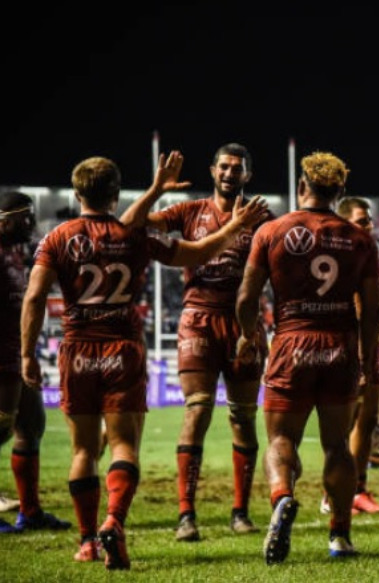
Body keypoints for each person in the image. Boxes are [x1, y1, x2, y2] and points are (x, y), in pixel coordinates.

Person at [20, 154, 267, 569]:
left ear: (77, 193)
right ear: (116, 193)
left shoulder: (57, 238)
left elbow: (34, 298)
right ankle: (114, 521)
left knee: (84, 450)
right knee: (123, 445)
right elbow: (199, 252)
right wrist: (235, 227)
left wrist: (28, 354)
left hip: (78, 348)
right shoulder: (134, 238)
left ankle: (87, 541)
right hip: (122, 349)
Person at [120, 143, 274, 541]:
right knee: (197, 410)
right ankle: (186, 515)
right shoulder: (189, 212)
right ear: (212, 170)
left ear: (247, 175)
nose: (229, 173)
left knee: (243, 418)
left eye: (237, 168)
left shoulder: (261, 218)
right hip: (199, 320)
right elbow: (129, 224)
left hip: (244, 325)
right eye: (224, 166)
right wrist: (157, 189)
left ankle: (240, 513)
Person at [236, 151, 379, 563]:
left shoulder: (271, 231)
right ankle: (340, 536)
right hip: (339, 347)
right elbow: (372, 310)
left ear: (302, 186)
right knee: (338, 445)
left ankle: (282, 496)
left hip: (292, 343)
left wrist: (248, 336)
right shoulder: (360, 240)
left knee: (281, 440)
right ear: (340, 192)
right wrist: (366, 357)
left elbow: (246, 298)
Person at [0, 191, 71, 535]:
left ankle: (30, 513)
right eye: (24, 217)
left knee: (31, 425)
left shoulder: (14, 255)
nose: (31, 223)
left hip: (15, 354)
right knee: (2, 428)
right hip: (1, 359)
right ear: (4, 221)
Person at [332, 195, 379, 514]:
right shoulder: (342, 253)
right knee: (347, 421)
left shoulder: (370, 251)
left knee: (368, 419)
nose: (368, 226)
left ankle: (358, 488)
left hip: (371, 341)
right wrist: (360, 352)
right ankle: (336, 491)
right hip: (350, 342)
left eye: (368, 220)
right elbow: (356, 303)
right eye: (361, 221)